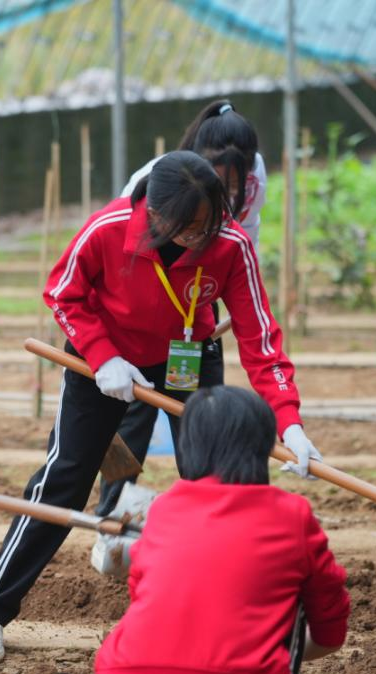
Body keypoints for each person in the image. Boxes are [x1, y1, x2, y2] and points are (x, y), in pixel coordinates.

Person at [0, 151, 321, 664]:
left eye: (207, 225)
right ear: (154, 214)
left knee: (218, 485)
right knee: (66, 477)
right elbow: (62, 293)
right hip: (103, 362)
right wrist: (102, 355)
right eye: (187, 229)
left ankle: (226, 616)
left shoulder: (230, 244)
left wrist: (289, 422)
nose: (199, 238)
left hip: (187, 357)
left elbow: (260, 340)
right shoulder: (107, 229)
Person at [95, 385, 348, 674]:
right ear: (261, 445)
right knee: (293, 598)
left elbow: (139, 592)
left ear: (190, 443)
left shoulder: (162, 508)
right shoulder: (291, 515)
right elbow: (330, 621)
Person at [97, 99, 270, 519]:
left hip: (190, 333)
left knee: (200, 426)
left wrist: (236, 297)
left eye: (237, 184)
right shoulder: (152, 183)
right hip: (136, 330)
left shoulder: (253, 176)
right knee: (125, 426)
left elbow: (242, 241)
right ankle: (112, 512)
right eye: (220, 183)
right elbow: (120, 261)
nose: (229, 195)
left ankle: (205, 517)